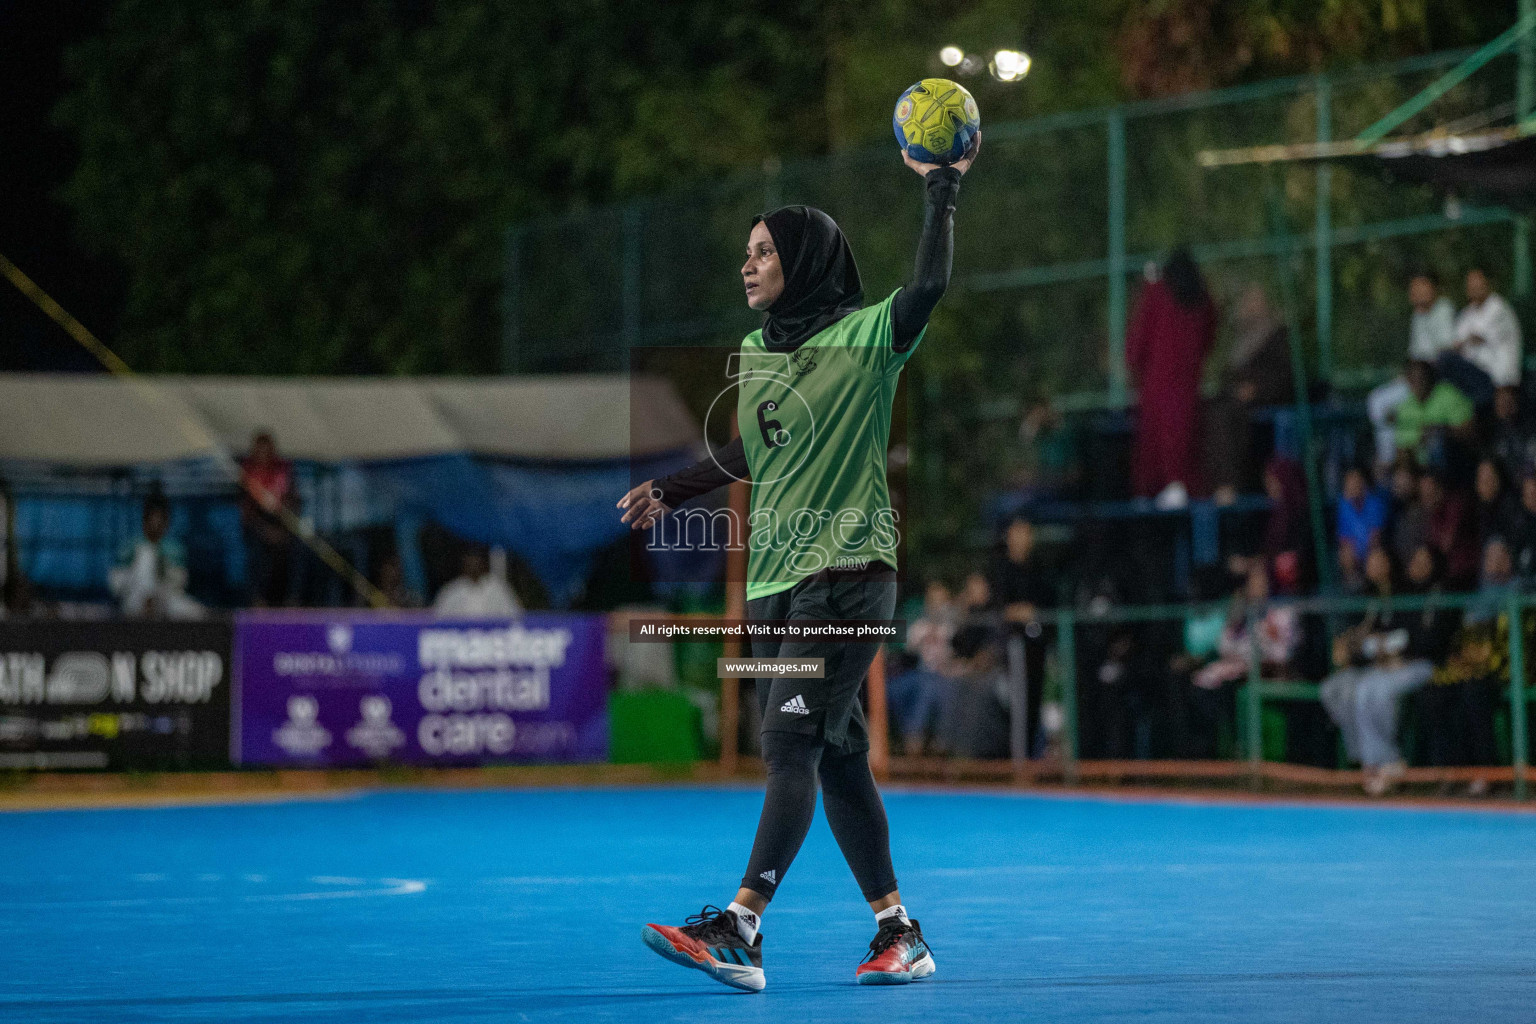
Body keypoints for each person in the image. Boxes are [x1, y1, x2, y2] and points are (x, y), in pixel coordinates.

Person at [620, 134, 980, 991]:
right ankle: (901, 932)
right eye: (745, 252)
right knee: (838, 756)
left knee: (786, 742)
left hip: (848, 574)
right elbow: (755, 449)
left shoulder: (868, 339)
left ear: (805, 258)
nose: (748, 265)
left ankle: (741, 925)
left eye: (765, 251)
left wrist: (941, 189)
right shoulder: (756, 353)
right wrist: (676, 487)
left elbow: (928, 286)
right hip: (779, 585)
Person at [1318, 543, 1445, 796]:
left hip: (1416, 664)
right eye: (1415, 561)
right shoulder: (1370, 596)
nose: (1417, 567)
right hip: (1383, 665)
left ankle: (1388, 761)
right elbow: (1367, 639)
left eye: (1424, 562)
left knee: (1368, 691)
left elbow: (1421, 639)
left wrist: (1391, 649)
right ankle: (1367, 760)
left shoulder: (1420, 594)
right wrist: (1369, 648)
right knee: (1335, 689)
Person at [1418, 536, 1523, 795]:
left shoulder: (1520, 590)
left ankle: (1488, 772)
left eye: (1501, 556)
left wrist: (1484, 659)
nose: (1495, 562)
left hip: (1505, 668)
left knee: (1474, 693)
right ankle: (1453, 770)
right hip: (1470, 667)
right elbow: (1462, 637)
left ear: (1510, 560)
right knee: (1434, 693)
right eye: (1490, 556)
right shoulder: (1474, 594)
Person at [1126, 248, 1216, 505]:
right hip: (1187, 383)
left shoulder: (1157, 294)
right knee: (1181, 434)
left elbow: (1138, 340)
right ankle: (1175, 485)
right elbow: (1209, 338)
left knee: (1155, 438)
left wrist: (1133, 362)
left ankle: (1153, 490)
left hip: (1157, 382)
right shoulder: (1202, 299)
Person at [1187, 561, 1299, 756]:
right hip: (1240, 676)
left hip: (1272, 675)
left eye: (1262, 579)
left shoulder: (1282, 612)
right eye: (1253, 580)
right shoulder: (1241, 613)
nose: (1259, 585)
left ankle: (1239, 751)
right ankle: (1217, 753)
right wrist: (1236, 619)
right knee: (1203, 689)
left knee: (1230, 689)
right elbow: (1224, 646)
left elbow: (1283, 655)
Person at [1205, 284, 1294, 502]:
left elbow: (1285, 377)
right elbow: (1226, 376)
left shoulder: (1278, 336)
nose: (1249, 306)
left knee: (1224, 415)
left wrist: (1256, 390)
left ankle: (1229, 485)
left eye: (1254, 300)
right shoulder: (1241, 341)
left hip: (1263, 405)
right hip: (1235, 402)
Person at [1366, 271, 1457, 469]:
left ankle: (1389, 461)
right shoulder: (1417, 316)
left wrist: (1417, 374)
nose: (1416, 293)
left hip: (1432, 379)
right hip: (1415, 376)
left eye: (1421, 287)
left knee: (1379, 403)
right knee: (1377, 400)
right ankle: (1391, 457)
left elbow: (1444, 353)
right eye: (1414, 288)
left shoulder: (1443, 309)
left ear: (1433, 288)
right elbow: (1415, 355)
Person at [989, 516, 1055, 757]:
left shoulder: (1040, 569)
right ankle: (1017, 757)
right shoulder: (1000, 569)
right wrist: (1017, 613)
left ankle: (1030, 753)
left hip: (1036, 644)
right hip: (1011, 647)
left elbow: (1046, 605)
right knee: (1015, 703)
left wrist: (1031, 613)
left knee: (1035, 700)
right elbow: (998, 606)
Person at [886, 581, 960, 756]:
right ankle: (914, 742)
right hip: (919, 675)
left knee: (941, 687)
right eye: (933, 601)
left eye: (941, 601)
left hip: (947, 677)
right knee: (925, 686)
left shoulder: (955, 627)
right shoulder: (917, 626)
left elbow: (960, 655)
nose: (937, 606)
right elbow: (904, 653)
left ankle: (937, 744)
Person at [108, 493, 203, 620]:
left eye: (160, 521)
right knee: (146, 554)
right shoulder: (132, 546)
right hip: (135, 600)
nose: (155, 526)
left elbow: (180, 583)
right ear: (144, 521)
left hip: (165, 599)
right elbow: (116, 585)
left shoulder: (174, 549)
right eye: (151, 520)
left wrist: (162, 567)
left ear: (166, 523)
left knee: (196, 613)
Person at [1441, 267, 1523, 406]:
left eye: (1477, 282)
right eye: (1470, 284)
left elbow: (1475, 339)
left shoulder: (1499, 308)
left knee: (1446, 360)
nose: (1474, 287)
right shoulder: (1467, 314)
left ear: (1487, 284)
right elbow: (1457, 344)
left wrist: (1466, 342)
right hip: (1475, 376)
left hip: (1497, 381)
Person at [239, 431, 298, 607]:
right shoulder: (247, 472)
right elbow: (247, 512)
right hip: (257, 526)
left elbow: (293, 502)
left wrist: (283, 529)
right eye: (259, 450)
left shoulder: (283, 470)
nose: (263, 455)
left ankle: (292, 600)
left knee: (297, 549)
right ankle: (258, 600)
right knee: (256, 552)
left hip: (282, 524)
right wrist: (265, 531)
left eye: (267, 450)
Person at [1392, 360, 1474, 470]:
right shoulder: (1405, 408)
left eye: (1421, 378)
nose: (1417, 383)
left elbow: (1470, 429)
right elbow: (1402, 447)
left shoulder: (1448, 394)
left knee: (1436, 440)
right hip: (1419, 468)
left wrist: (1440, 430)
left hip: (1454, 460)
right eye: (1413, 380)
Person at [432, 545, 521, 617]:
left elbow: (515, 617)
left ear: (483, 563)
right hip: (460, 638)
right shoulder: (452, 590)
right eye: (469, 560)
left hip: (492, 637)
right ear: (463, 563)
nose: (473, 564)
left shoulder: (498, 589)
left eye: (476, 560)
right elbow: (437, 622)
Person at [1336, 465, 1388, 566]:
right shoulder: (1343, 506)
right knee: (1345, 555)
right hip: (1354, 552)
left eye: (1356, 480)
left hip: (1373, 550)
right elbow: (1344, 538)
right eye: (1349, 482)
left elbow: (1375, 538)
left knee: (1375, 557)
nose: (1353, 485)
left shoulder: (1374, 503)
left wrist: (1362, 554)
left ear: (1363, 482)